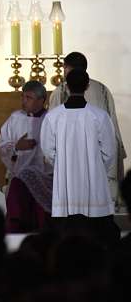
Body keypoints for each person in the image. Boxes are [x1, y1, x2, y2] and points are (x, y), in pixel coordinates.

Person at [41, 69, 119, 245]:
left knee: (66, 239)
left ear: (66, 87)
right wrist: (97, 170)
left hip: (65, 186)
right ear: (87, 86)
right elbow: (109, 151)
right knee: (98, 238)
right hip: (94, 187)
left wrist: (62, 165)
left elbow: (47, 150)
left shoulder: (53, 117)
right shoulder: (99, 116)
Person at [49, 51, 126, 207]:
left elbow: (51, 135)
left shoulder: (60, 92)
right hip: (99, 161)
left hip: (71, 163)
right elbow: (112, 130)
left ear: (66, 68)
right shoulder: (102, 90)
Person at [0, 81, 52, 232]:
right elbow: (2, 145)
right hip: (20, 177)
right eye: (23, 97)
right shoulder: (15, 118)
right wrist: (16, 146)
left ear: (42, 100)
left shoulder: (51, 119)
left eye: (28, 98)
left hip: (45, 177)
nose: (23, 101)